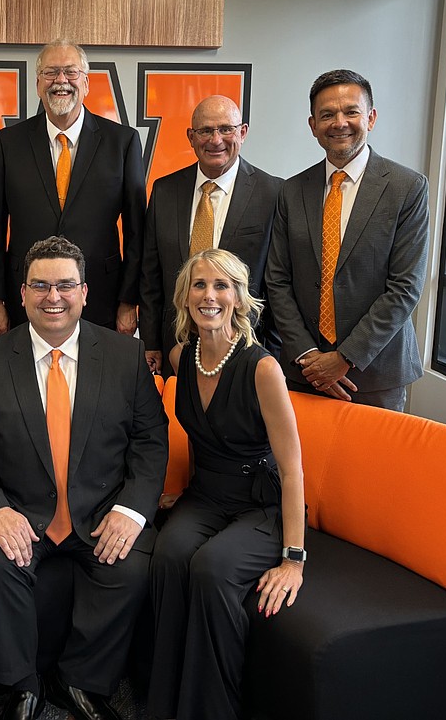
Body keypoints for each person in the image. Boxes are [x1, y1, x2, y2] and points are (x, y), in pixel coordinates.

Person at [0, 236, 167, 720]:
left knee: (129, 568)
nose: (53, 297)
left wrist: (130, 511)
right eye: (40, 285)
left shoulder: (126, 357)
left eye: (65, 285)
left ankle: (81, 680)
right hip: (16, 509)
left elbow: (151, 442)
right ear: (22, 293)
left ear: (85, 292)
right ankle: (20, 685)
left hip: (101, 510)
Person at [149, 248, 306, 720]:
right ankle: (165, 704)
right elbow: (203, 433)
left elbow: (294, 467)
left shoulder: (263, 368)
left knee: (212, 569)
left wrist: (294, 559)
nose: (209, 295)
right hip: (207, 495)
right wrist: (184, 489)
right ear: (185, 297)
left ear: (239, 298)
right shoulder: (181, 356)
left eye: (222, 286)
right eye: (199, 285)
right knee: (169, 556)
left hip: (259, 505)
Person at [265, 69, 429, 412]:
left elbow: (405, 287)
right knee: (301, 466)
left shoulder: (406, 188)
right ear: (313, 125)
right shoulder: (291, 191)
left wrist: (345, 358)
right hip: (303, 371)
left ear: (370, 117)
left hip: (375, 374)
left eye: (351, 111)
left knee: (373, 466)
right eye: (327, 115)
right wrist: (310, 356)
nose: (339, 122)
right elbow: (277, 281)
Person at [0, 39, 146, 339]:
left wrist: (128, 301)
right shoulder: (8, 143)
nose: (61, 81)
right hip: (26, 296)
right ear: (37, 83)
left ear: (86, 82)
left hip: (101, 295)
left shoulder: (122, 142)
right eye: (51, 72)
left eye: (70, 72)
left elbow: (137, 233)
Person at [139, 95, 281, 377]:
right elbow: (150, 275)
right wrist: (151, 342)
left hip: (245, 346)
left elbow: (278, 283)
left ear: (243, 132)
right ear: (191, 137)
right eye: (205, 130)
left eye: (226, 129)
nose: (216, 139)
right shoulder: (165, 191)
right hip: (176, 345)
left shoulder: (273, 193)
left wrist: (272, 353)